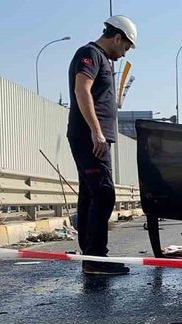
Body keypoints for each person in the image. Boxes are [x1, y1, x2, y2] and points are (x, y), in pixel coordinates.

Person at [67, 15, 137, 276]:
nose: (124, 53)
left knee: (90, 195)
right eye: (125, 47)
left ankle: (91, 258)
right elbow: (82, 90)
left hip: (93, 137)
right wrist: (96, 132)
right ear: (117, 38)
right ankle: (96, 258)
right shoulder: (90, 54)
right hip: (90, 137)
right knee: (104, 193)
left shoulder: (103, 59)